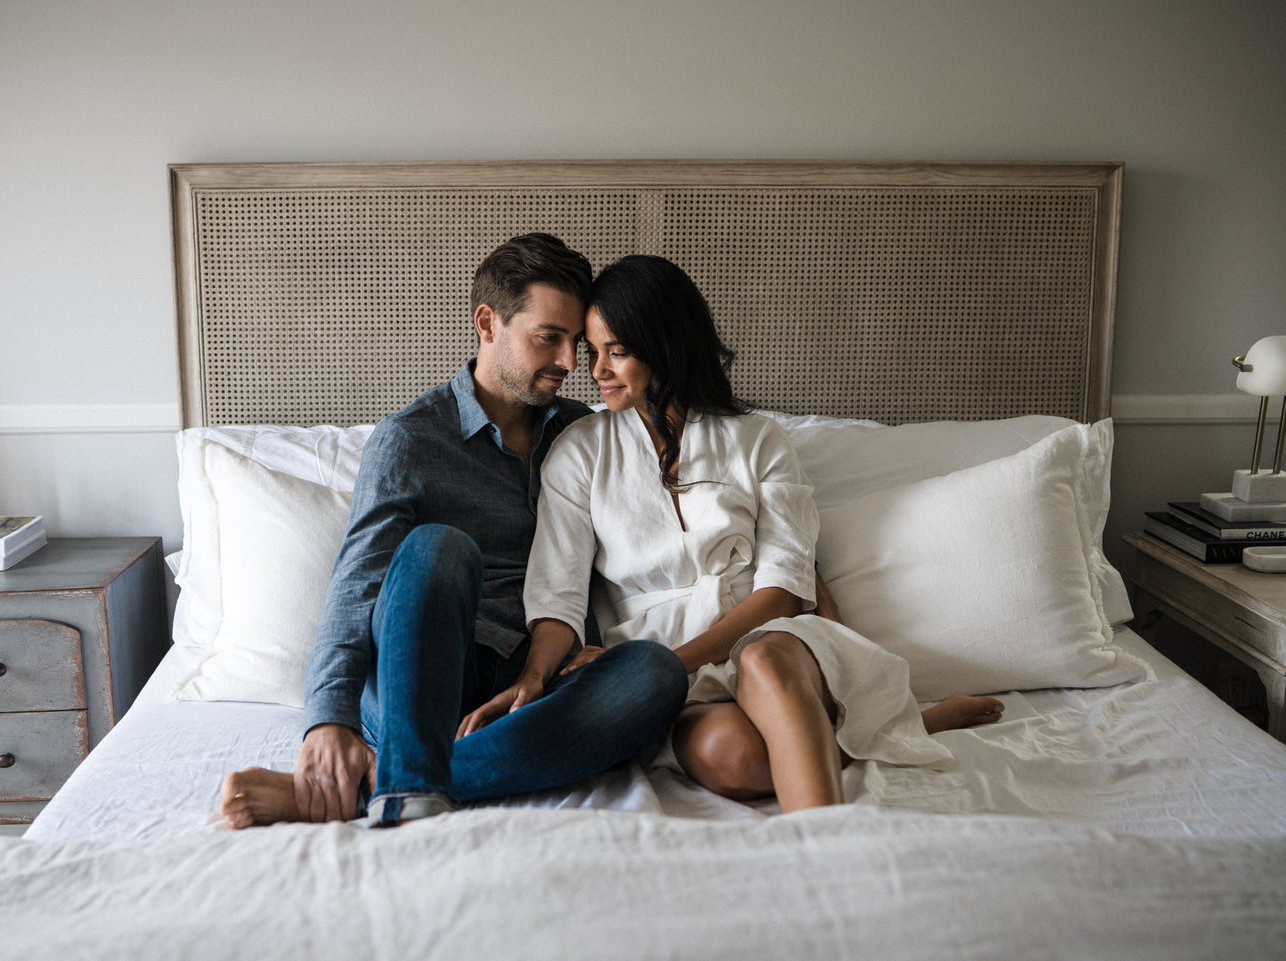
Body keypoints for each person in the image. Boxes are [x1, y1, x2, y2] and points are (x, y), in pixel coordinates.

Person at [219, 234, 688, 828]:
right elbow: (356, 585)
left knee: (655, 671)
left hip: (537, 686)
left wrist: (592, 645)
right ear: (488, 323)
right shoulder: (412, 439)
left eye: (577, 342)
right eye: (550, 338)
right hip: (426, 677)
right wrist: (328, 721)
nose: (572, 363)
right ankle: (413, 766)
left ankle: (392, 786)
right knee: (441, 548)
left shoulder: (590, 434)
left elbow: (644, 553)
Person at [518, 255, 1002, 812]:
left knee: (764, 663)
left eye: (617, 352)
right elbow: (557, 590)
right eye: (594, 351)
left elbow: (784, 588)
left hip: (769, 637)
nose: (595, 370)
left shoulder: (758, 439)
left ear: (667, 343)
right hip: (659, 665)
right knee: (741, 758)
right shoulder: (579, 452)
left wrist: (673, 663)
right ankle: (898, 726)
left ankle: (830, 853)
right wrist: (543, 677)